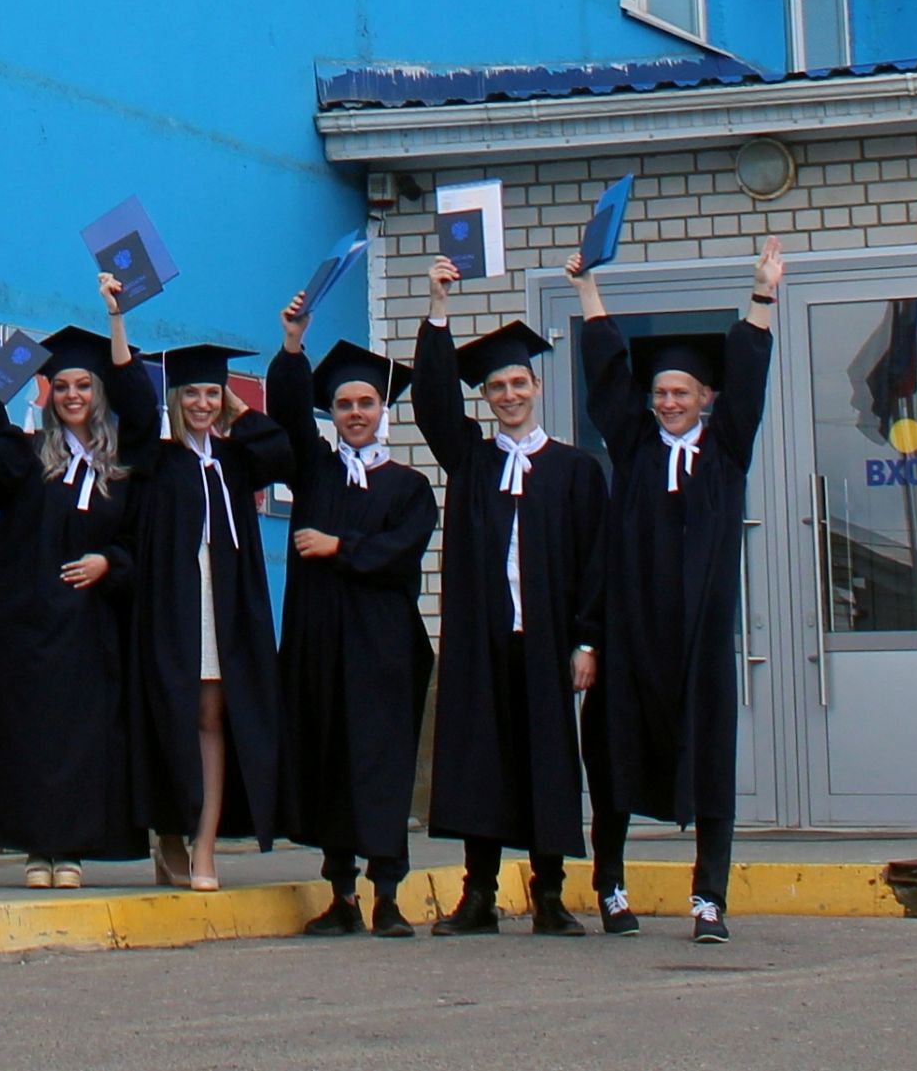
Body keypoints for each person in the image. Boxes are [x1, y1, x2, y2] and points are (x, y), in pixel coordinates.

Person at [569, 238, 782, 944]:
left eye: (681, 393)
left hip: (698, 650)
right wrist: (588, 291)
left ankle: (709, 899)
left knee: (710, 768)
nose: (668, 403)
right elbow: (607, 379)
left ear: (705, 398)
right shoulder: (634, 450)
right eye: (660, 393)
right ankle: (610, 887)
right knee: (613, 766)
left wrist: (761, 296)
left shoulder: (726, 454)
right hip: (631, 645)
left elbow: (750, 383)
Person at [413, 256, 605, 937]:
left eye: (519, 382)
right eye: (497, 386)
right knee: (479, 762)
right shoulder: (472, 460)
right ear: (486, 396)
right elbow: (432, 403)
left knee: (548, 761)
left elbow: (595, 564)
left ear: (537, 385)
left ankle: (549, 893)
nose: (509, 394)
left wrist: (587, 640)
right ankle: (479, 895)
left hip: (548, 641)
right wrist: (438, 309)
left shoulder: (575, 470)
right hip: (482, 641)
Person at [0, 278, 155, 888]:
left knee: (82, 739)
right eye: (61, 386)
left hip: (89, 628)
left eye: (83, 385)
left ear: (99, 392)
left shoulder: (120, 466)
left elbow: (135, 542)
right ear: (48, 394)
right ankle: (38, 850)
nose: (72, 395)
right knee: (28, 735)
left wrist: (107, 564)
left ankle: (72, 851)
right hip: (25, 623)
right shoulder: (26, 455)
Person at [268, 299, 437, 940]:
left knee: (382, 767)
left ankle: (387, 895)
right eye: (343, 405)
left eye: (366, 403)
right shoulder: (314, 470)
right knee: (330, 763)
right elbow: (287, 413)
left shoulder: (408, 486)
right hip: (319, 644)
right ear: (332, 414)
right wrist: (292, 346)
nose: (356, 413)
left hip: (384, 649)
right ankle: (341, 894)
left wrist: (339, 547)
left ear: (383, 410)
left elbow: (401, 552)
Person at [130, 341, 293, 892]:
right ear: (174, 397)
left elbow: (281, 453)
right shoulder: (158, 460)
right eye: (192, 393)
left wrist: (241, 412)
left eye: (212, 393)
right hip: (171, 604)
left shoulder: (233, 459)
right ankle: (170, 835)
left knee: (213, 714)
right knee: (173, 715)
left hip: (226, 603)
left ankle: (204, 841)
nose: (203, 403)